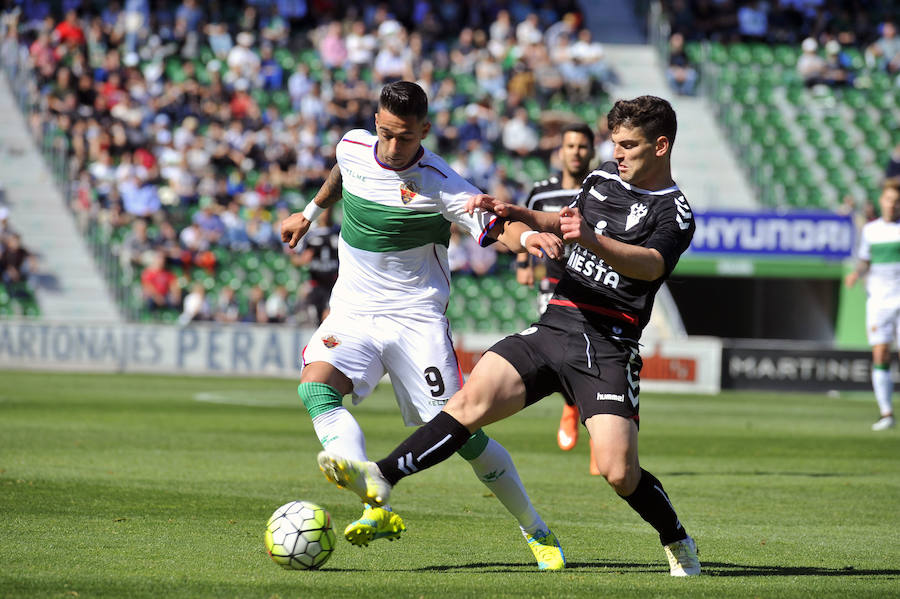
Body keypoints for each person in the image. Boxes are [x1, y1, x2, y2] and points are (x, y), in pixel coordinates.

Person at [317, 96, 702, 577]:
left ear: (661, 146)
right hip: (556, 322)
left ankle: (676, 538)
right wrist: (513, 210)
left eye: (629, 145)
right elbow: (557, 223)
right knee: (466, 405)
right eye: (615, 143)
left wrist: (590, 239)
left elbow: (650, 267)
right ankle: (382, 475)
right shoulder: (603, 177)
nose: (617, 153)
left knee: (619, 472)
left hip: (607, 345)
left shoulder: (676, 211)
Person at [279, 81, 566, 569]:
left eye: (406, 138)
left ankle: (536, 528)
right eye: (387, 134)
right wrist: (308, 214)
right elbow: (341, 174)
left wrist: (529, 235)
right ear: (375, 123)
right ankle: (373, 495)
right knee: (315, 388)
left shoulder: (441, 181)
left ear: (425, 131)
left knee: (464, 434)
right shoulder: (352, 146)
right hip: (353, 308)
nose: (394, 147)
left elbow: (495, 227)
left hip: (416, 319)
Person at [516, 123, 598, 469]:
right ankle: (570, 403)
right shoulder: (540, 192)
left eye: (582, 146)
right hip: (552, 282)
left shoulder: (602, 191)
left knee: (594, 356)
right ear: (560, 151)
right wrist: (522, 262)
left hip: (593, 283)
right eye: (570, 145)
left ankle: (600, 433)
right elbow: (527, 225)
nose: (576, 151)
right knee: (557, 354)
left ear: (591, 152)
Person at [844, 178, 900, 431]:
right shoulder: (871, 230)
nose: (892, 205)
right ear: (882, 201)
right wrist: (856, 273)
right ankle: (886, 413)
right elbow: (865, 259)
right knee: (881, 353)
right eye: (889, 200)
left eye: (896, 201)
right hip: (879, 300)